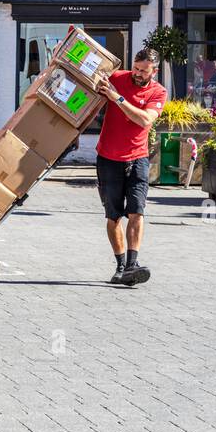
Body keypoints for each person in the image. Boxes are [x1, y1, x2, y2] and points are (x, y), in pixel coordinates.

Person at [93, 48, 167, 287]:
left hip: (137, 159)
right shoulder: (116, 78)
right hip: (108, 157)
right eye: (135, 68)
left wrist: (117, 98)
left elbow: (145, 119)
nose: (137, 73)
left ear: (153, 72)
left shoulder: (158, 92)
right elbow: (91, 81)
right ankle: (121, 266)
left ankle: (133, 264)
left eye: (143, 71)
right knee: (113, 215)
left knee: (137, 211)